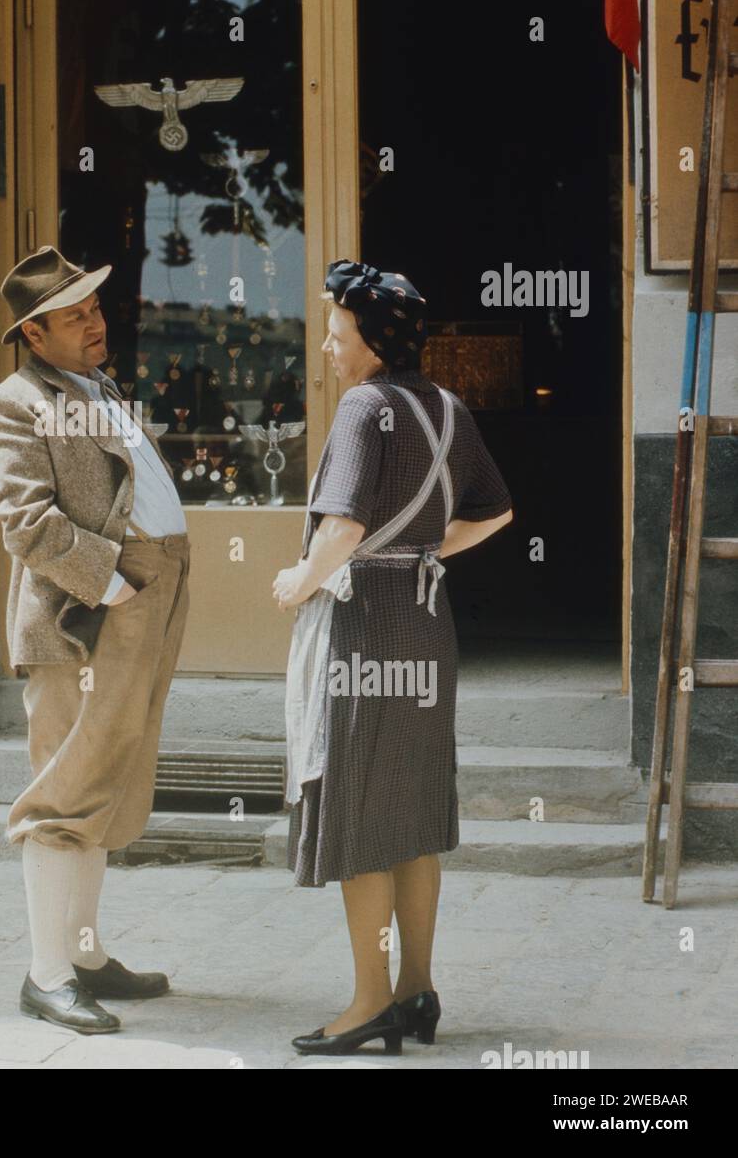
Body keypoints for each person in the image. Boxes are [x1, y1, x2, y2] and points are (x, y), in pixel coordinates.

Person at [272, 259, 514, 1057]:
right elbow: (498, 509)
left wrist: (296, 582)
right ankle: (416, 989)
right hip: (425, 620)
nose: (330, 349)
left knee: (360, 811)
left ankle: (369, 1001)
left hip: (364, 625)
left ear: (374, 342)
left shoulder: (360, 406)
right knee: (412, 814)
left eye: (338, 335)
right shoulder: (446, 408)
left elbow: (339, 530)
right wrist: (421, 548)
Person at [0, 245, 191, 1035]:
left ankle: (87, 954)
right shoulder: (12, 405)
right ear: (34, 335)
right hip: (85, 617)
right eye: (75, 317)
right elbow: (27, 524)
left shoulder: (97, 385)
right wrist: (115, 585)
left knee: (111, 784)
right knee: (64, 793)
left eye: (96, 309)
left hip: (146, 600)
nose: (96, 324)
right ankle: (47, 973)